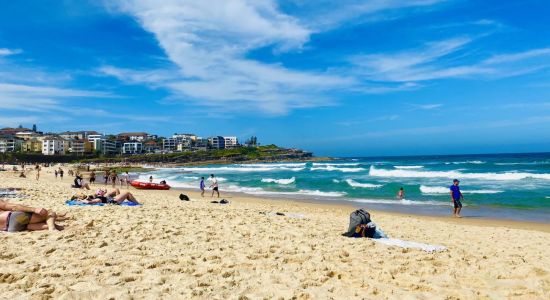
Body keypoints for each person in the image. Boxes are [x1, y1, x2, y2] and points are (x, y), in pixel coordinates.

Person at [0, 200, 66, 231]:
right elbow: (14, 207)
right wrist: (34, 209)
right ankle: (52, 228)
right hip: (13, 218)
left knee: (28, 225)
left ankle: (54, 225)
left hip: (9, 228)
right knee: (49, 213)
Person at [73, 188, 140, 205]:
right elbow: (90, 202)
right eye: (80, 195)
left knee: (116, 189)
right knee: (127, 192)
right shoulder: (96, 199)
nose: (81, 193)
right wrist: (82, 200)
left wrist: (103, 193)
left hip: (108, 198)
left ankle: (121, 197)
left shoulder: (90, 197)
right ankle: (137, 203)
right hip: (113, 201)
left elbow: (93, 197)